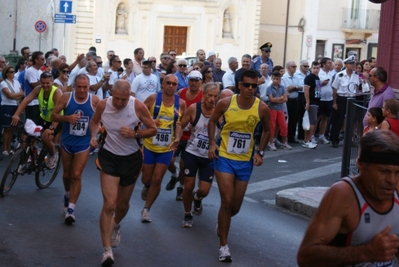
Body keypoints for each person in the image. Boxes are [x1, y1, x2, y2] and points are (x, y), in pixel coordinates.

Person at [297, 130, 399, 267]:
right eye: (383, 171)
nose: (392, 180)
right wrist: (365, 252)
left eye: (397, 172)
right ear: (361, 166)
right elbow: (306, 256)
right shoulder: (343, 195)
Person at [89, 79, 157, 266]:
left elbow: (153, 129)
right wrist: (94, 136)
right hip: (109, 157)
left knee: (122, 205)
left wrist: (135, 134)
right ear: (112, 94)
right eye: (117, 99)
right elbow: (94, 122)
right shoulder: (104, 105)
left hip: (131, 159)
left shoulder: (138, 106)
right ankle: (106, 250)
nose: (119, 103)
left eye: (124, 99)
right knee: (109, 204)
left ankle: (115, 224)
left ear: (130, 96)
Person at [208, 69, 271, 262]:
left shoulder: (262, 108)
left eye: (254, 86)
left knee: (235, 207)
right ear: (239, 85)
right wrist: (212, 143)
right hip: (224, 157)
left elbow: (268, 130)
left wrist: (260, 152)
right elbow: (211, 122)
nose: (251, 89)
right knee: (226, 201)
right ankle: (224, 246)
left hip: (245, 161)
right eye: (247, 85)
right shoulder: (226, 103)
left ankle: (223, 222)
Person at [50, 74, 100, 224]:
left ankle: (71, 210)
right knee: (67, 175)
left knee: (76, 175)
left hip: (83, 143)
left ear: (89, 87)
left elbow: (97, 121)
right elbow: (54, 115)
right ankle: (67, 195)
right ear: (74, 86)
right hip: (66, 142)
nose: (82, 90)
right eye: (79, 87)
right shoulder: (66, 97)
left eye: (85, 87)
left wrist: (94, 136)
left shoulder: (94, 100)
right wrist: (67, 118)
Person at [140, 74, 186, 223]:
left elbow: (180, 124)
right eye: (168, 83)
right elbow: (139, 114)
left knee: (158, 178)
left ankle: (146, 210)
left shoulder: (181, 104)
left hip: (166, 148)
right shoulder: (153, 99)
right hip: (149, 145)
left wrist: (177, 138)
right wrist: (150, 121)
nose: (171, 86)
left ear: (177, 86)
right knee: (147, 178)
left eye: (174, 84)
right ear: (163, 84)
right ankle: (146, 185)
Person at [180, 83, 219, 228]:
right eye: (210, 95)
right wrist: (178, 138)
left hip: (209, 156)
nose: (212, 99)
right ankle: (187, 214)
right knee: (188, 186)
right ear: (204, 95)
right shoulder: (194, 109)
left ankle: (197, 199)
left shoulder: (219, 112)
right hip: (192, 152)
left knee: (204, 190)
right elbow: (180, 124)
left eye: (215, 96)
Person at [165, 70, 203, 200]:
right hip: (177, 133)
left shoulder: (203, 96)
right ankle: (174, 175)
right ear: (188, 80)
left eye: (196, 80)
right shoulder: (181, 93)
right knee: (169, 161)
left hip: (191, 137)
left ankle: (180, 187)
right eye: (191, 80)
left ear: (200, 82)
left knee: (183, 164)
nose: (193, 83)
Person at [12, 72, 62, 168]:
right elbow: (26, 101)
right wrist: (16, 114)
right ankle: (30, 155)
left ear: (52, 82)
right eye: (43, 83)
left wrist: (51, 128)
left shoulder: (57, 92)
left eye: (48, 83)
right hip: (42, 117)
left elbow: (58, 113)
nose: (45, 85)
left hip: (56, 119)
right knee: (25, 136)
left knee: (46, 138)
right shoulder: (38, 89)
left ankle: (53, 155)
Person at [329, 56, 359, 148]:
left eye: (353, 64)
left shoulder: (356, 75)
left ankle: (349, 139)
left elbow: (356, 87)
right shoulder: (340, 75)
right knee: (338, 119)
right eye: (350, 64)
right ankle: (334, 139)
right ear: (346, 65)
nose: (353, 65)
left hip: (352, 98)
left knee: (351, 120)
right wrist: (334, 102)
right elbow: (335, 89)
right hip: (341, 98)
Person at [1, 66, 24, 156]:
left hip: (15, 106)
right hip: (6, 106)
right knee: (6, 128)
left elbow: (22, 94)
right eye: (11, 72)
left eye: (14, 71)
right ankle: (5, 148)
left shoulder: (17, 82)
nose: (13, 73)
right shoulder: (3, 83)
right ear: (6, 73)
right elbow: (9, 95)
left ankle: (9, 147)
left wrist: (15, 95)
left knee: (12, 128)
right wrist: (17, 95)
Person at [303, 61, 326, 148]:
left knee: (311, 122)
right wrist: (308, 102)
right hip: (312, 102)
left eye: (317, 68)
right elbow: (306, 90)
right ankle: (307, 140)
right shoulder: (309, 78)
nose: (316, 70)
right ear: (311, 68)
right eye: (314, 68)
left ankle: (307, 140)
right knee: (312, 122)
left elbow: (318, 88)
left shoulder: (317, 78)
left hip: (317, 101)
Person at [266, 71, 291, 151]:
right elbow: (271, 100)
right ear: (271, 78)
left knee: (283, 125)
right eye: (274, 79)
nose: (275, 80)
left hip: (280, 109)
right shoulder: (269, 88)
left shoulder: (282, 87)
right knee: (272, 126)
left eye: (277, 79)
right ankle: (271, 143)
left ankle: (284, 142)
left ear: (280, 80)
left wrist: (277, 99)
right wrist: (280, 98)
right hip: (272, 109)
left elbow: (286, 99)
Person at [282, 61, 302, 143]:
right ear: (288, 67)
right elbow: (286, 89)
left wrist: (294, 87)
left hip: (295, 100)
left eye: (295, 66)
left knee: (294, 119)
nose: (295, 68)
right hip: (287, 100)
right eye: (293, 66)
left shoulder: (296, 77)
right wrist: (295, 87)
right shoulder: (284, 77)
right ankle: (283, 136)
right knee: (285, 119)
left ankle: (291, 137)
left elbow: (301, 87)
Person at [317, 57, 334, 144]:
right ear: (323, 64)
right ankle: (312, 136)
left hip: (329, 99)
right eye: (329, 63)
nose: (330, 64)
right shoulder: (319, 72)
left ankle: (322, 135)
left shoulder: (331, 74)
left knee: (325, 118)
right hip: (320, 99)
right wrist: (321, 83)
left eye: (331, 62)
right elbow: (315, 84)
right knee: (317, 118)